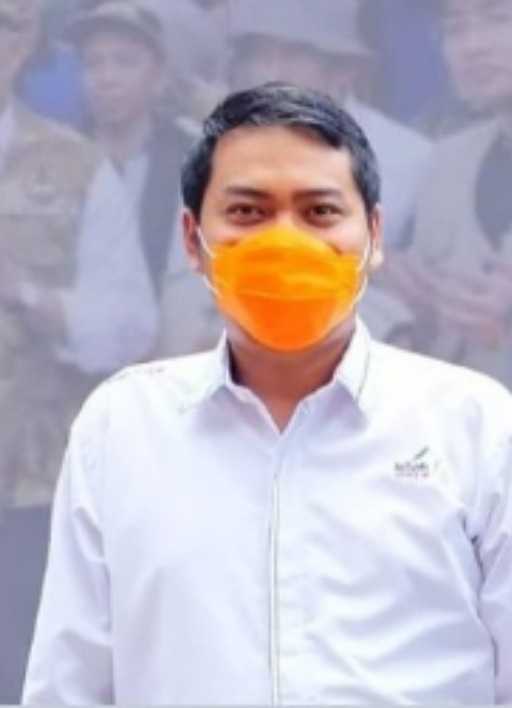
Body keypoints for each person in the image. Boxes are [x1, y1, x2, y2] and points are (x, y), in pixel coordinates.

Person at [23, 83, 512, 705]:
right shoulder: (123, 428)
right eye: (248, 213)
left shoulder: (473, 425)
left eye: (320, 212)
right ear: (192, 240)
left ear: (374, 236)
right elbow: (68, 685)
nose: (285, 243)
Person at [0, 0, 157, 700]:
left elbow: (129, 326)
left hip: (26, 490)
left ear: (25, 44)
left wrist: (30, 295)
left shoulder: (77, 165)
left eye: (9, 25)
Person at [157, 0, 430, 356]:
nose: (271, 71)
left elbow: (423, 298)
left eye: (293, 55)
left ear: (342, 69)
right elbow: (184, 278)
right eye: (260, 54)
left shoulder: (411, 156)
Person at [392, 0, 512, 388]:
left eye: (498, 18)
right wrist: (405, 300)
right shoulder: (447, 161)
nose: (472, 45)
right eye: (456, 28)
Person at [67, 0, 190, 296]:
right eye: (93, 63)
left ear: (159, 76)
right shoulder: (60, 152)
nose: (107, 78)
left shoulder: (191, 156)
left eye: (125, 62)